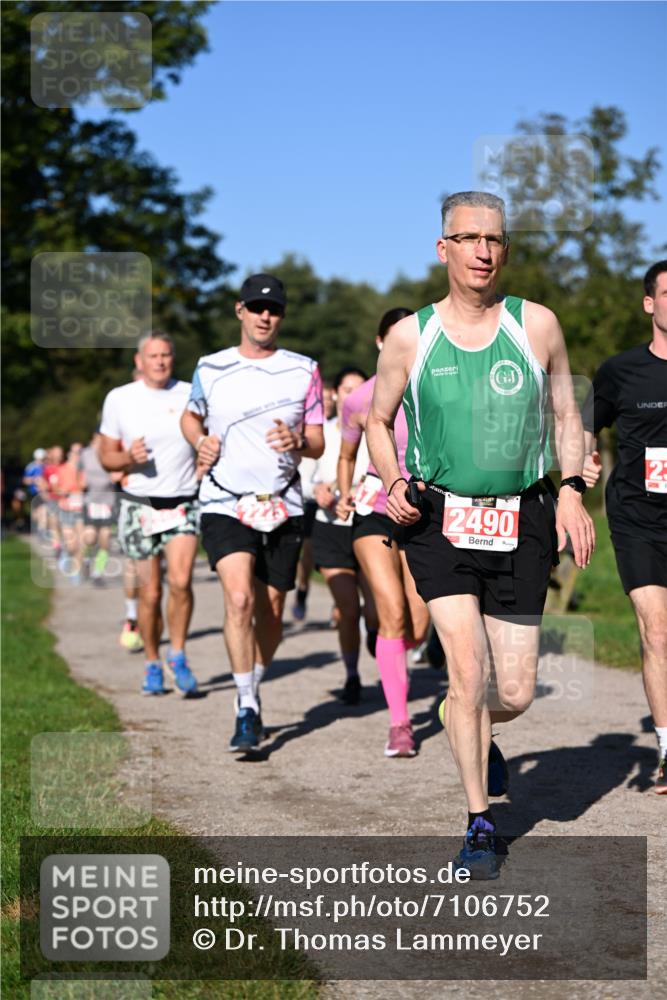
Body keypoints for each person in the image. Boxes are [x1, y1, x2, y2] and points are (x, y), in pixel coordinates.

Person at [366, 191, 595, 877]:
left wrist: (572, 492)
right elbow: (376, 422)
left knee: (514, 690)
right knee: (466, 669)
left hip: (520, 516)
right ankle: (478, 822)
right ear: (443, 249)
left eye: (492, 239)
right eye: (467, 238)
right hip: (437, 520)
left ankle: (462, 714)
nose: (482, 251)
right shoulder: (412, 334)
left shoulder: (537, 327)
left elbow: (564, 416)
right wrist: (394, 480)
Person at [180, 273, 324, 752]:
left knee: (273, 609)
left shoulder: (304, 369)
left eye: (275, 309)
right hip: (224, 500)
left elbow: (319, 440)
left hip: (283, 503)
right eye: (258, 307)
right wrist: (200, 440)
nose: (266, 316)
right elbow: (190, 414)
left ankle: (253, 680)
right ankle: (246, 705)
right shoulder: (211, 367)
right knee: (240, 600)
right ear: (240, 310)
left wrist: (298, 441)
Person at [583, 259, 667, 794]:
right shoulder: (621, 371)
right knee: (657, 629)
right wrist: (585, 459)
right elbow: (584, 424)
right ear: (650, 304)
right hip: (639, 517)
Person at [336, 308, 431, 756]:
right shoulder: (360, 399)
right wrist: (342, 492)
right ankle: (400, 724)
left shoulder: (435, 388)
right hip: (374, 508)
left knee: (417, 621)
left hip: (425, 512)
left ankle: (385, 636)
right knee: (393, 611)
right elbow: (345, 455)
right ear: (380, 344)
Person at [99, 332, 199, 696]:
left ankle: (179, 654)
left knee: (182, 581)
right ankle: (152, 663)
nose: (160, 361)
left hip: (183, 501)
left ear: (173, 358)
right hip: (138, 504)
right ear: (139, 362)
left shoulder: (190, 393)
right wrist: (127, 458)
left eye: (166, 355)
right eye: (153, 355)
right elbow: (105, 455)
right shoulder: (120, 399)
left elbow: (207, 438)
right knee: (151, 593)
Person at [311, 366, 375, 703]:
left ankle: (379, 634)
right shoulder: (321, 432)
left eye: (359, 388)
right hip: (330, 529)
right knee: (348, 609)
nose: (352, 395)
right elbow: (305, 476)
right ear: (334, 393)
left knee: (376, 609)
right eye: (346, 389)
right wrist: (318, 491)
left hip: (368, 525)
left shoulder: (377, 429)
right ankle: (352, 675)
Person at [291, 380, 336, 622]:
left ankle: (338, 605)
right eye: (323, 400)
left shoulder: (341, 427)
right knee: (308, 555)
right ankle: (303, 590)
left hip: (336, 499)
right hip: (311, 500)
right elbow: (305, 474)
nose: (327, 404)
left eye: (330, 400)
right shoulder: (311, 431)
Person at [80, 430, 118, 585]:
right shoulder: (85, 454)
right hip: (90, 501)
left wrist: (117, 476)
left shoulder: (111, 453)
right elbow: (77, 474)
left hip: (108, 501)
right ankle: (87, 559)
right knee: (90, 538)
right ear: (94, 438)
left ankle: (97, 573)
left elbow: (120, 471)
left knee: (105, 539)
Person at [55, 443, 86, 582]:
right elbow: (55, 488)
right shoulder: (61, 469)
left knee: (81, 542)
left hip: (80, 509)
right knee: (71, 544)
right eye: (75, 452)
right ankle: (66, 554)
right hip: (66, 509)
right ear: (69, 454)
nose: (77, 455)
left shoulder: (84, 470)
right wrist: (62, 491)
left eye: (80, 452)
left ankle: (76, 571)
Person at [23, 447, 48, 538]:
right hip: (33, 493)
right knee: (35, 514)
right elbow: (25, 480)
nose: (42, 461)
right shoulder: (31, 467)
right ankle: (39, 527)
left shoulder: (46, 466)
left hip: (43, 493)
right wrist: (34, 480)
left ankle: (42, 530)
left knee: (44, 510)